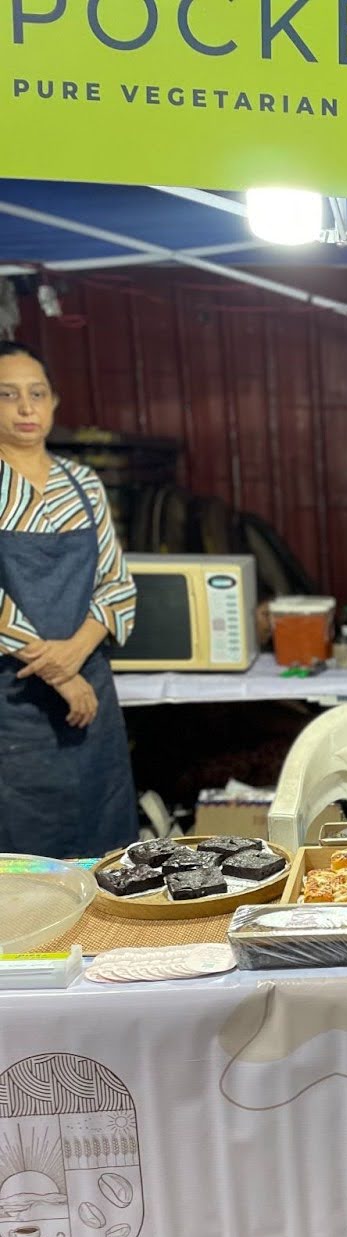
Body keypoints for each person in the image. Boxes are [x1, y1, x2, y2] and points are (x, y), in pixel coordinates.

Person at [0, 340, 139, 857]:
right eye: (8, 394)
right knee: (23, 860)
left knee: (104, 847)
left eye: (37, 393)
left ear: (55, 401)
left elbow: (117, 583)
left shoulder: (82, 483)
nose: (25, 407)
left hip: (90, 695)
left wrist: (78, 651)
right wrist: (60, 673)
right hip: (13, 699)